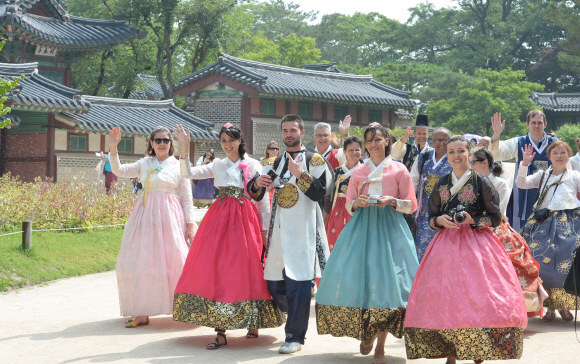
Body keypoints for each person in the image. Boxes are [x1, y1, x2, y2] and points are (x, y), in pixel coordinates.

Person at [404, 135, 527, 363]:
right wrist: (440, 221)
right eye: (451, 152)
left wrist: (473, 221)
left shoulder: (482, 182)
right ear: (447, 155)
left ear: (469, 153)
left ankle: (478, 348)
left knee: (480, 296)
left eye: (460, 151)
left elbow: (495, 217)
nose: (456, 156)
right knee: (447, 297)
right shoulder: (441, 183)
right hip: (446, 245)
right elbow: (431, 217)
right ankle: (451, 352)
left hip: (479, 246)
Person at [172, 123, 284, 348]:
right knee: (219, 269)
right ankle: (220, 330)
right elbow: (188, 173)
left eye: (231, 140)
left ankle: (254, 320)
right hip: (220, 221)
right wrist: (185, 148)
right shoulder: (218, 165)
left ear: (240, 140)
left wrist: (265, 232)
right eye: (223, 141)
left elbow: (262, 201)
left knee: (250, 267)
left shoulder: (253, 165)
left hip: (246, 219)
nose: (227, 145)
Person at [316, 123, 419, 364]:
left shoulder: (399, 169)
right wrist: (357, 204)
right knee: (361, 279)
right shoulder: (359, 171)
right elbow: (349, 205)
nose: (373, 144)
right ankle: (368, 332)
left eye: (377, 139)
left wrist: (392, 201)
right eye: (369, 140)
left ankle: (380, 347)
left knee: (387, 284)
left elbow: (411, 205)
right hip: (362, 230)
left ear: (386, 141)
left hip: (390, 230)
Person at [248, 114, 332, 354]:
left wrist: (299, 174)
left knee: (299, 283)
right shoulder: (274, 162)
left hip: (305, 232)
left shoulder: (314, 160)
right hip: (279, 232)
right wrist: (258, 183)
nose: (288, 134)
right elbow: (255, 192)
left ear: (302, 133)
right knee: (274, 283)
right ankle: (297, 310)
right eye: (285, 130)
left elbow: (319, 193)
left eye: (293, 130)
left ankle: (295, 336)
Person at [108, 126, 197, 328]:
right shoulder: (145, 163)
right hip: (146, 217)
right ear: (151, 143)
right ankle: (142, 311)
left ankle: (183, 307)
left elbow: (186, 195)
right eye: (158, 140)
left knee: (177, 261)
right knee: (139, 262)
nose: (162, 144)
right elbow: (118, 170)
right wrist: (113, 148)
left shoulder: (178, 164)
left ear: (170, 143)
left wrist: (190, 223)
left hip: (171, 218)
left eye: (166, 140)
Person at [471, 148, 546, 317]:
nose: (470, 166)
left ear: (484, 163)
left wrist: (477, 221)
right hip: (472, 228)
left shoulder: (500, 183)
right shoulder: (471, 182)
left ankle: (507, 311)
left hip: (495, 229)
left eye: (473, 162)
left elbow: (498, 211)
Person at [517, 141, 578, 322]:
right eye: (555, 153)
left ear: (568, 156)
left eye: (563, 152)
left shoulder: (575, 175)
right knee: (539, 262)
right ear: (549, 157)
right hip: (541, 223)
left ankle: (564, 305)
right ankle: (547, 305)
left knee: (567, 263)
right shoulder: (542, 175)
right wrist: (525, 164)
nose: (559, 156)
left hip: (570, 224)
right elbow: (521, 184)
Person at [490, 111, 558, 231]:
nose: (536, 126)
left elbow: (564, 167)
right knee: (523, 227)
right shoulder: (519, 142)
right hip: (523, 193)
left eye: (539, 123)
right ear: (527, 124)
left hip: (550, 192)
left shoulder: (554, 143)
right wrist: (496, 134)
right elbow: (497, 154)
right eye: (533, 123)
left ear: (545, 124)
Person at [411, 127, 453, 261]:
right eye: (438, 140)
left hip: (446, 214)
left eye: (445, 140)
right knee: (422, 253)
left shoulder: (455, 158)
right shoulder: (424, 157)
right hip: (424, 214)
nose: (441, 143)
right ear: (432, 141)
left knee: (444, 254)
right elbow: (413, 182)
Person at [323, 136, 363, 251]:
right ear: (344, 152)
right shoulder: (337, 171)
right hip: (337, 212)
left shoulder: (365, 171)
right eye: (351, 150)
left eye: (357, 150)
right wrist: (324, 218)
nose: (354, 153)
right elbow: (329, 198)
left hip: (357, 212)